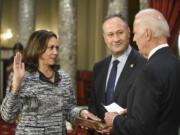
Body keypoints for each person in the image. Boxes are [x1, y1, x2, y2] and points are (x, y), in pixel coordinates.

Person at [1, 30, 98, 135]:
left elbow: (68, 110)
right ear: (38, 49)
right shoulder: (22, 77)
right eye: (51, 48)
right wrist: (16, 84)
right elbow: (7, 115)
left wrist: (80, 113)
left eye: (57, 48)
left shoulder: (64, 78)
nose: (55, 52)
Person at [104, 8, 180, 135]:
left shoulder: (149, 71)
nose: (134, 39)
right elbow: (163, 109)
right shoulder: (176, 64)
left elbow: (141, 128)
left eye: (135, 33)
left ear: (147, 34)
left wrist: (115, 119)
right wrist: (132, 111)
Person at [88, 14, 146, 130]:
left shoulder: (144, 65)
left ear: (129, 32)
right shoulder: (98, 67)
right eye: (110, 34)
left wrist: (117, 127)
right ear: (104, 37)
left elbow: (145, 110)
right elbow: (94, 105)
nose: (116, 39)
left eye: (120, 32)